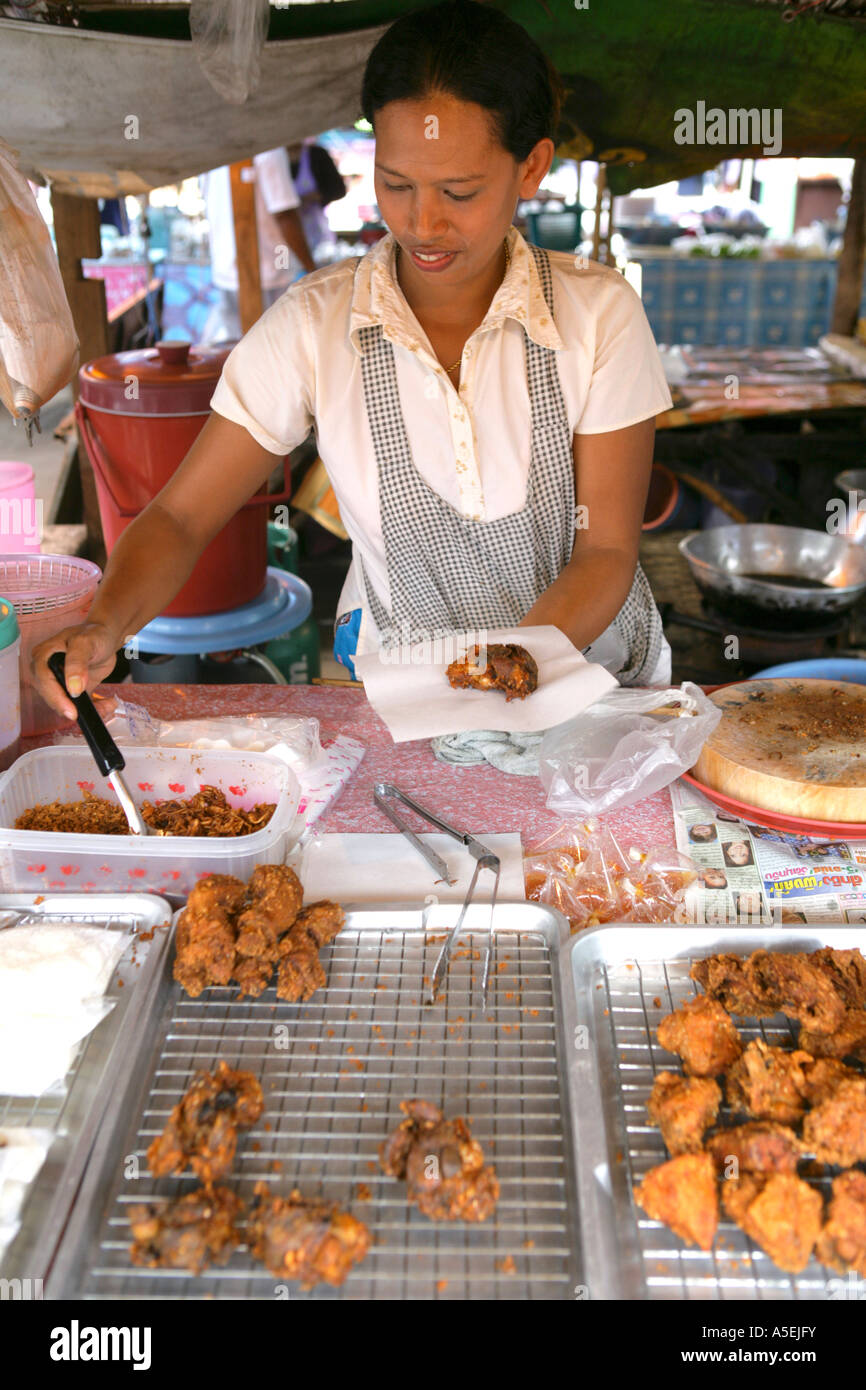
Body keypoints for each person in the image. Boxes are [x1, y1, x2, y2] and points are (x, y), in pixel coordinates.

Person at [34, 1, 674, 717]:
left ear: (531, 168)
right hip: (417, 706)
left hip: (596, 696)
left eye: (458, 193)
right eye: (396, 184)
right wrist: (105, 624)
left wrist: (503, 681)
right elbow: (182, 517)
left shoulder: (598, 313)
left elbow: (605, 553)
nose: (421, 224)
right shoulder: (315, 326)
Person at [200, 147, 315, 343]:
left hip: (229, 271)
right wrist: (312, 270)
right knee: (272, 350)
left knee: (241, 350)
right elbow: (284, 214)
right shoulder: (269, 150)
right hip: (267, 274)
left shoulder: (211, 152)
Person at [287, 139, 347, 263]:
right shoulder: (271, 159)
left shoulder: (316, 155)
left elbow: (338, 189)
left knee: (317, 272)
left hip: (317, 233)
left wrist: (312, 197)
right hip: (283, 239)